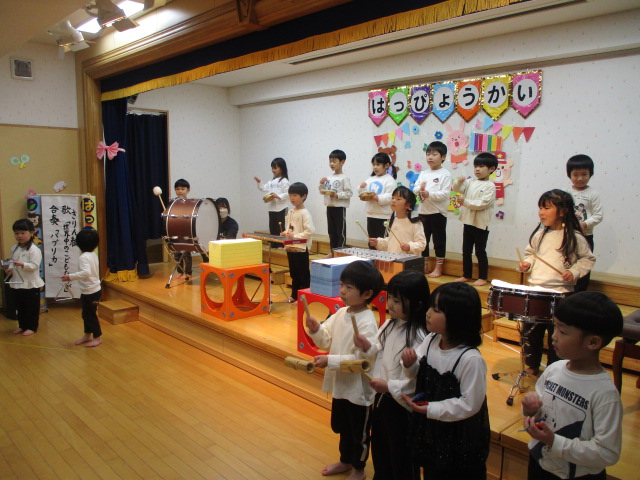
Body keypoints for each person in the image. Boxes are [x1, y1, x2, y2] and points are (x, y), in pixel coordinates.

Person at [521, 292, 623, 480]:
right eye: (554, 327)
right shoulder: (553, 369)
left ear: (593, 342)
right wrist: (530, 410)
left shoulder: (604, 393)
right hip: (539, 462)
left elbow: (607, 452)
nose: (553, 336)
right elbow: (542, 415)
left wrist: (554, 441)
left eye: (563, 331)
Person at [402, 282, 490, 480]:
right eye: (430, 307)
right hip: (433, 426)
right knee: (433, 471)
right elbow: (417, 374)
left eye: (436, 310)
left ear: (457, 318)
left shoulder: (470, 359)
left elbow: (470, 404)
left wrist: (431, 409)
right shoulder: (431, 340)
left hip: (458, 435)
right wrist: (410, 364)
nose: (427, 313)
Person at [305, 260, 384, 480]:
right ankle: (345, 461)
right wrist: (316, 329)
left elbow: (361, 361)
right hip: (341, 385)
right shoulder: (341, 313)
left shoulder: (368, 321)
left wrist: (329, 361)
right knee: (344, 428)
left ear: (367, 293)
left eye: (349, 287)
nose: (342, 291)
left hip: (359, 391)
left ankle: (359, 469)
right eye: (341, 285)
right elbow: (325, 340)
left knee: (359, 434)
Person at [353, 270, 429, 480]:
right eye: (390, 298)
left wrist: (393, 383)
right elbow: (377, 352)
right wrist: (367, 347)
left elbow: (416, 381)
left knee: (401, 456)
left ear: (417, 303)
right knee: (381, 449)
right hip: (382, 399)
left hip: (403, 406)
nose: (390, 305)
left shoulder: (421, 335)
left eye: (397, 301)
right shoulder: (389, 324)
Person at [518, 189, 595, 376]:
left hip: (561, 294)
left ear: (563, 211)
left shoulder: (574, 237)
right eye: (540, 208)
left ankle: (554, 369)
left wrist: (574, 272)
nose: (541, 212)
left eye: (546, 208)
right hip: (536, 291)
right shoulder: (540, 235)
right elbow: (531, 254)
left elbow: (587, 259)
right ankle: (532, 365)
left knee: (558, 334)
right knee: (531, 332)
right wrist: (527, 263)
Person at [452, 152, 498, 286]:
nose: (477, 169)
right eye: (476, 166)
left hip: (481, 224)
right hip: (468, 221)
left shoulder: (490, 186)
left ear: (491, 169)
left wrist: (465, 202)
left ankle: (483, 277)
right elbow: (457, 189)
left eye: (481, 166)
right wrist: (458, 182)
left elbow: (482, 204)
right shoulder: (470, 181)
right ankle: (466, 275)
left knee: (480, 251)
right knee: (466, 250)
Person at [413, 141, 451, 277]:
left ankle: (438, 268)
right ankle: (425, 265)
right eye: (428, 154)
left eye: (434, 154)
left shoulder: (445, 174)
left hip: (438, 213)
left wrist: (429, 194)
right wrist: (420, 189)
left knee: (439, 241)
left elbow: (445, 194)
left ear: (443, 157)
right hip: (423, 212)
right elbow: (415, 188)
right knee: (423, 241)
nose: (430, 157)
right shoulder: (423, 173)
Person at [565, 154, 602, 292]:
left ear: (590, 174)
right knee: (567, 263)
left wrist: (584, 224)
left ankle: (580, 293)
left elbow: (598, 215)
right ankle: (566, 292)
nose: (580, 178)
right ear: (569, 175)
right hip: (568, 236)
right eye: (575, 174)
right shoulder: (566, 193)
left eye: (584, 174)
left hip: (585, 236)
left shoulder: (593, 194)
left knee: (584, 265)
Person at [61, 229, 102, 347]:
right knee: (86, 314)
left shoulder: (84, 257)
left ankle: (97, 337)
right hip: (89, 291)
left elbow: (86, 273)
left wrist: (70, 277)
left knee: (91, 315)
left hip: (92, 292)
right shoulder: (92, 254)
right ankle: (87, 335)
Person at [5, 218, 44, 336]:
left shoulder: (34, 250)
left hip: (30, 283)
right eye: (17, 233)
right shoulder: (14, 248)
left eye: (23, 233)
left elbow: (34, 266)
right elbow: (13, 262)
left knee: (31, 307)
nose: (19, 236)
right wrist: (10, 268)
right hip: (17, 282)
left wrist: (22, 264)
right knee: (20, 306)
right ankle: (22, 325)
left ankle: (32, 327)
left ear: (31, 233)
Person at [369, 185, 426, 256]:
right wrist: (378, 242)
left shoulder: (415, 223)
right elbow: (391, 242)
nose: (393, 201)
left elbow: (422, 244)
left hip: (408, 261)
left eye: (398, 199)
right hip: (393, 259)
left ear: (408, 205)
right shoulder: (393, 220)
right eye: (392, 198)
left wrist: (409, 247)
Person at [282, 182, 314, 304]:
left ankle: (304, 297)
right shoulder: (290, 212)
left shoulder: (305, 213)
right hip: (291, 246)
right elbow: (290, 227)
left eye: (295, 195)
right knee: (293, 273)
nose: (292, 198)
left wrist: (295, 236)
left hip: (301, 247)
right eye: (290, 195)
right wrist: (286, 233)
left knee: (303, 273)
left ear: (304, 196)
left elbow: (309, 231)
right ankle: (294, 295)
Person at [358, 152, 397, 248]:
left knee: (382, 242)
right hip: (371, 214)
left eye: (378, 164)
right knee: (372, 240)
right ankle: (372, 257)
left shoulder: (390, 180)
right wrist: (361, 188)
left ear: (387, 165)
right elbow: (362, 192)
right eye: (374, 164)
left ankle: (381, 258)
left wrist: (377, 198)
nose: (375, 167)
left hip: (384, 216)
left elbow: (390, 197)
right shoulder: (371, 179)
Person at [319, 149, 352, 255]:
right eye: (330, 161)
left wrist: (337, 195)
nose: (331, 164)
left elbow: (349, 193)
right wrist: (321, 184)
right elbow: (323, 191)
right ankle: (332, 252)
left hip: (339, 208)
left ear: (342, 162)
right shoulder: (328, 178)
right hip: (330, 207)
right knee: (331, 232)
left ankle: (340, 252)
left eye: (334, 161)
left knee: (340, 232)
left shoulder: (345, 178)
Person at [254, 157, 290, 248]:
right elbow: (263, 188)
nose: (273, 170)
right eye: (272, 168)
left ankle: (281, 244)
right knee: (272, 226)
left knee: (280, 227)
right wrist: (259, 182)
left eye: (275, 168)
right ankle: (273, 243)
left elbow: (287, 194)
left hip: (281, 208)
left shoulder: (284, 181)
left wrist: (278, 196)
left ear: (281, 168)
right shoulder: (272, 181)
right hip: (272, 207)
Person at [171, 178, 195, 279]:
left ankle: (188, 272)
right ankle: (180, 271)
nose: (180, 191)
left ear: (188, 190)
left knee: (186, 253)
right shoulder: (173, 202)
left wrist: (192, 203)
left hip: (186, 230)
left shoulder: (190, 202)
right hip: (175, 229)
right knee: (176, 253)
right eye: (177, 189)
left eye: (182, 189)